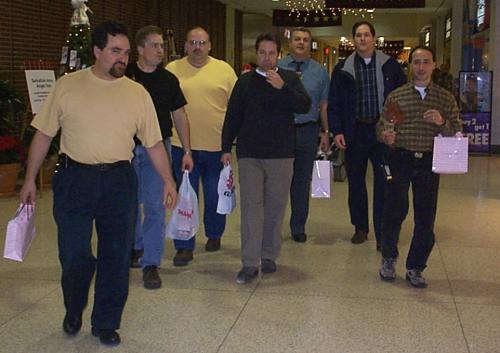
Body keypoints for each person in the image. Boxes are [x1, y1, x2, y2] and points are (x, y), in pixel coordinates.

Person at [19, 21, 177, 346]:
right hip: (75, 179)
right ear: (97, 51)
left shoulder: (137, 93)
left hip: (119, 181)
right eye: (115, 51)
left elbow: (154, 144)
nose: (123, 58)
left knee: (116, 255)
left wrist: (168, 181)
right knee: (74, 254)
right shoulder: (68, 85)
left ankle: (106, 321)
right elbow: (44, 134)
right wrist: (30, 179)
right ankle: (74, 307)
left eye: (126, 52)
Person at [221, 33, 311, 284]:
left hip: (281, 154)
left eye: (272, 53)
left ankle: (269, 255)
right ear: (256, 54)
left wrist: (282, 89)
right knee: (251, 209)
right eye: (262, 52)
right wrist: (226, 147)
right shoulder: (245, 81)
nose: (267, 57)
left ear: (278, 55)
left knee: (275, 207)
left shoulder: (290, 78)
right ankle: (250, 262)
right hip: (250, 154)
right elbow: (233, 115)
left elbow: (304, 105)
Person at [377, 47, 461, 288]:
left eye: (426, 62)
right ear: (410, 65)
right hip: (400, 158)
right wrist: (386, 136)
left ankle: (415, 266)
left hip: (429, 161)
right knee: (395, 210)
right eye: (416, 62)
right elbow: (382, 127)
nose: (421, 67)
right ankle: (388, 258)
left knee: (425, 217)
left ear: (434, 65)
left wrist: (442, 122)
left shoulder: (445, 98)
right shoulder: (397, 96)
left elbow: (457, 130)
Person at [328, 21, 406, 249]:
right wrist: (337, 130)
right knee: (356, 182)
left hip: (382, 132)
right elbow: (334, 102)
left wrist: (395, 128)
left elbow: (401, 98)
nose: (362, 39)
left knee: (385, 182)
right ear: (354, 40)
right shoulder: (343, 69)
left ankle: (383, 230)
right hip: (355, 132)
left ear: (374, 38)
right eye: (358, 35)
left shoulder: (390, 66)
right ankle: (360, 227)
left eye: (366, 35)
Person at [126, 25, 193, 290]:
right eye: (154, 45)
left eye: (162, 46)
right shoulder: (125, 77)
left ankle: (151, 263)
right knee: (128, 202)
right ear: (140, 49)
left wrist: (186, 150)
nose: (161, 50)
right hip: (125, 148)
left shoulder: (168, 80)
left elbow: (179, 116)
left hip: (157, 147)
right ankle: (133, 246)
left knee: (154, 205)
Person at [166, 27, 237, 266]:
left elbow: (236, 107)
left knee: (214, 194)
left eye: (202, 42)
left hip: (216, 147)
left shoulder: (224, 70)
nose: (197, 47)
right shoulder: (172, 71)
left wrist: (231, 142)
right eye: (193, 42)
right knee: (186, 196)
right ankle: (184, 245)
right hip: (180, 146)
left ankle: (214, 234)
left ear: (210, 46)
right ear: (185, 46)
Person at [278, 27, 330, 243]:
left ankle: (298, 226)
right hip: (280, 131)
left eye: (305, 40)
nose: (301, 43)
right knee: (278, 181)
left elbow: (323, 105)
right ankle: (273, 226)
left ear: (311, 44)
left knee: (301, 182)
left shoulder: (320, 72)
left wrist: (326, 132)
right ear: (290, 43)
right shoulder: (277, 67)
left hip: (308, 131)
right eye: (297, 39)